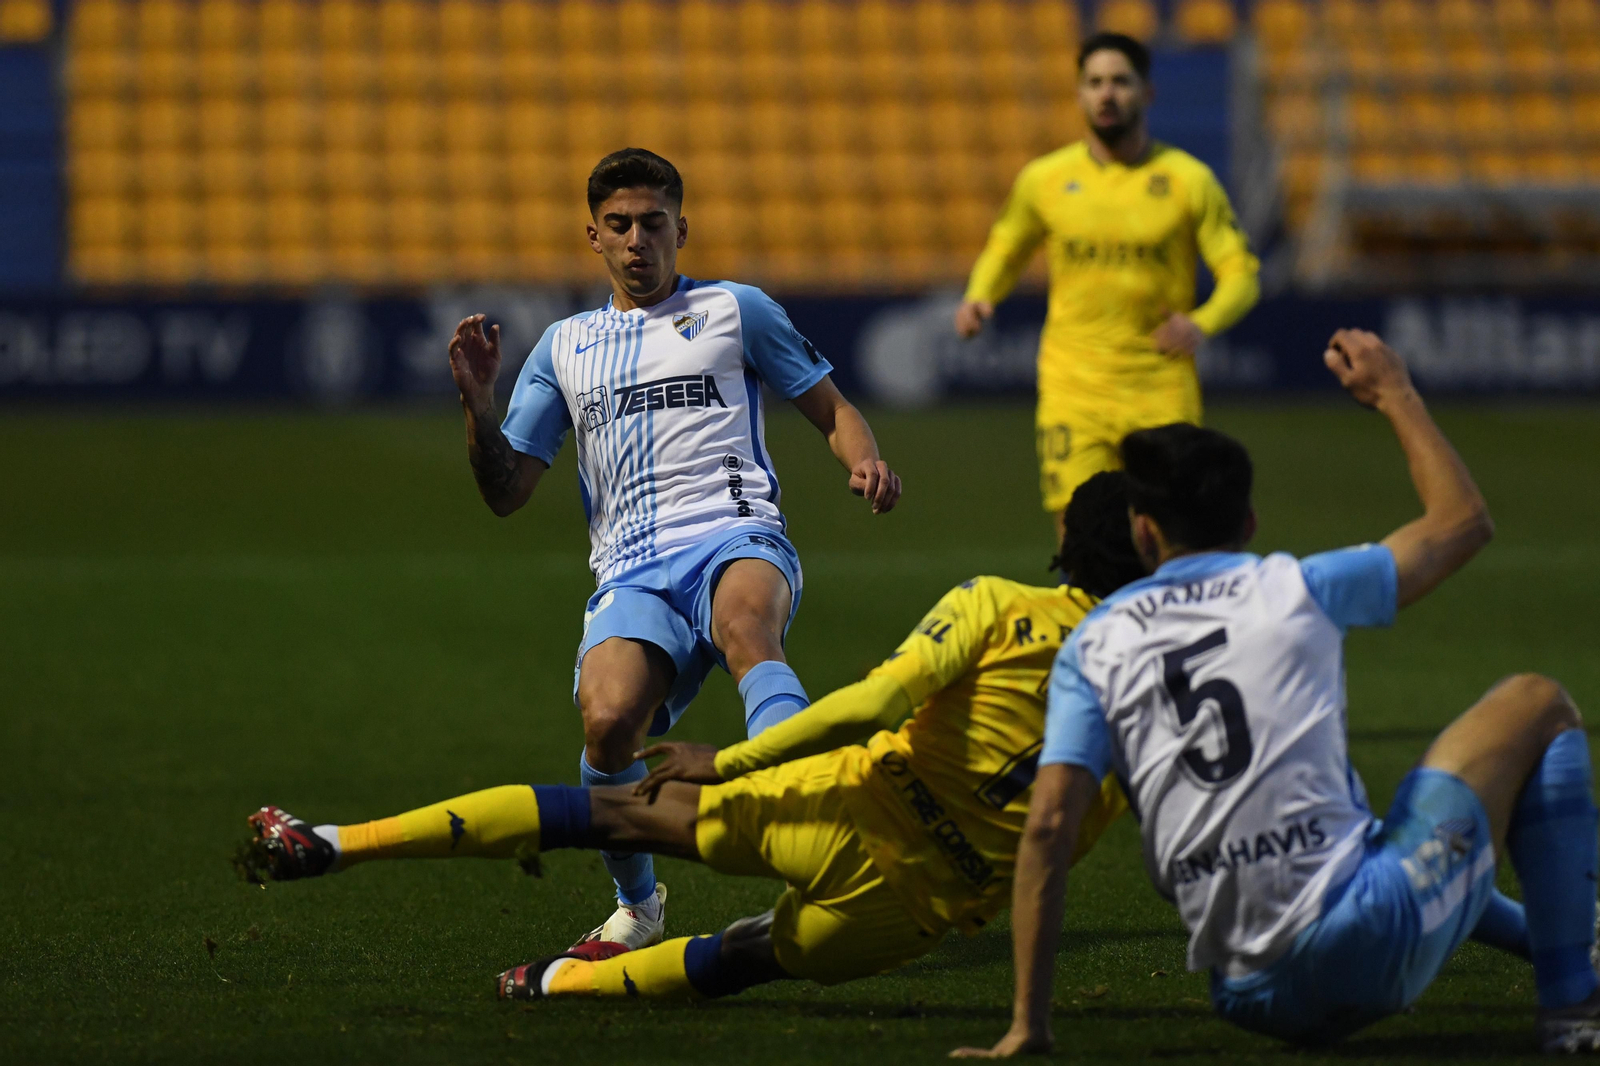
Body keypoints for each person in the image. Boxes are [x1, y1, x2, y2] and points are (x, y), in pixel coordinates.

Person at [237, 473, 1149, 1001]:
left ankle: (337, 844)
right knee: (744, 957)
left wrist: (739, 758)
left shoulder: (1000, 605)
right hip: (911, 908)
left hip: (838, 805)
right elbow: (1074, 834)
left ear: (1066, 540)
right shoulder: (1154, 685)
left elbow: (876, 701)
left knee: (605, 812)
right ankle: (554, 986)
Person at [954, 330, 1600, 1058]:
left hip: (1248, 995)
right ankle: (1575, 1007)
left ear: (1145, 532)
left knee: (1388, 839)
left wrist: (1029, 1026)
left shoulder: (1094, 644)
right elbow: (1463, 524)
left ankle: (1569, 947)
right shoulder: (1295, 586)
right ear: (1250, 524)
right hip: (1367, 938)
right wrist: (1395, 393)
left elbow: (1046, 828)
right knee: (1535, 700)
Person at [441, 147, 901, 949]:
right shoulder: (563, 348)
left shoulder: (737, 309)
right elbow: (506, 491)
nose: (636, 241)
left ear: (680, 228)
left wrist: (863, 459)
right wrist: (480, 402)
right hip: (632, 570)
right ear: (593, 237)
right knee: (609, 722)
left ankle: (806, 835)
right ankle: (639, 907)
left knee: (748, 631)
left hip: (736, 531)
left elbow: (832, 410)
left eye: (653, 223)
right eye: (618, 226)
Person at [954, 32, 1259, 537]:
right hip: (1074, 385)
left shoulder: (1189, 180)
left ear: (1147, 93)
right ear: (1079, 95)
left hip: (1160, 386)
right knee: (1082, 534)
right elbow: (1007, 246)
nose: (1107, 94)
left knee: (1174, 532)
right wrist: (980, 295)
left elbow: (1242, 274)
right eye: (1094, 83)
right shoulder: (1045, 179)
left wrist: (1202, 323)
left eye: (1120, 81)